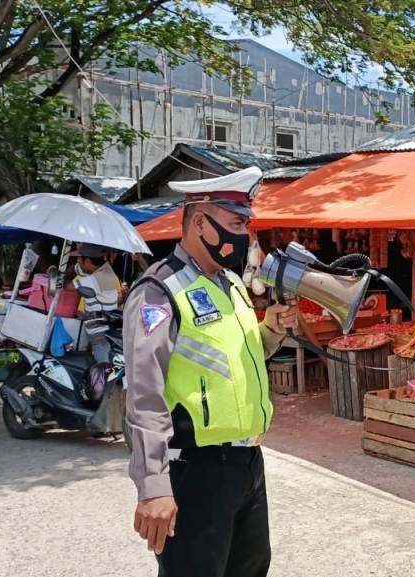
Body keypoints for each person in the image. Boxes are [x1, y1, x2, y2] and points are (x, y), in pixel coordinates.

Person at [123, 166, 297, 577]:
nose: (245, 236)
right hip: (195, 470)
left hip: (247, 463)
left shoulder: (231, 284)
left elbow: (241, 356)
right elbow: (145, 393)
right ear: (200, 222)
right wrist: (153, 485)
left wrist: (270, 329)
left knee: (251, 569)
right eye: (237, 223)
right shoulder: (159, 290)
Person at [72, 244, 122, 313]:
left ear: (87, 261)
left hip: (96, 319)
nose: (77, 261)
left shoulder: (102, 277)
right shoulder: (84, 274)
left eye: (78, 258)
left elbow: (66, 286)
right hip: (86, 316)